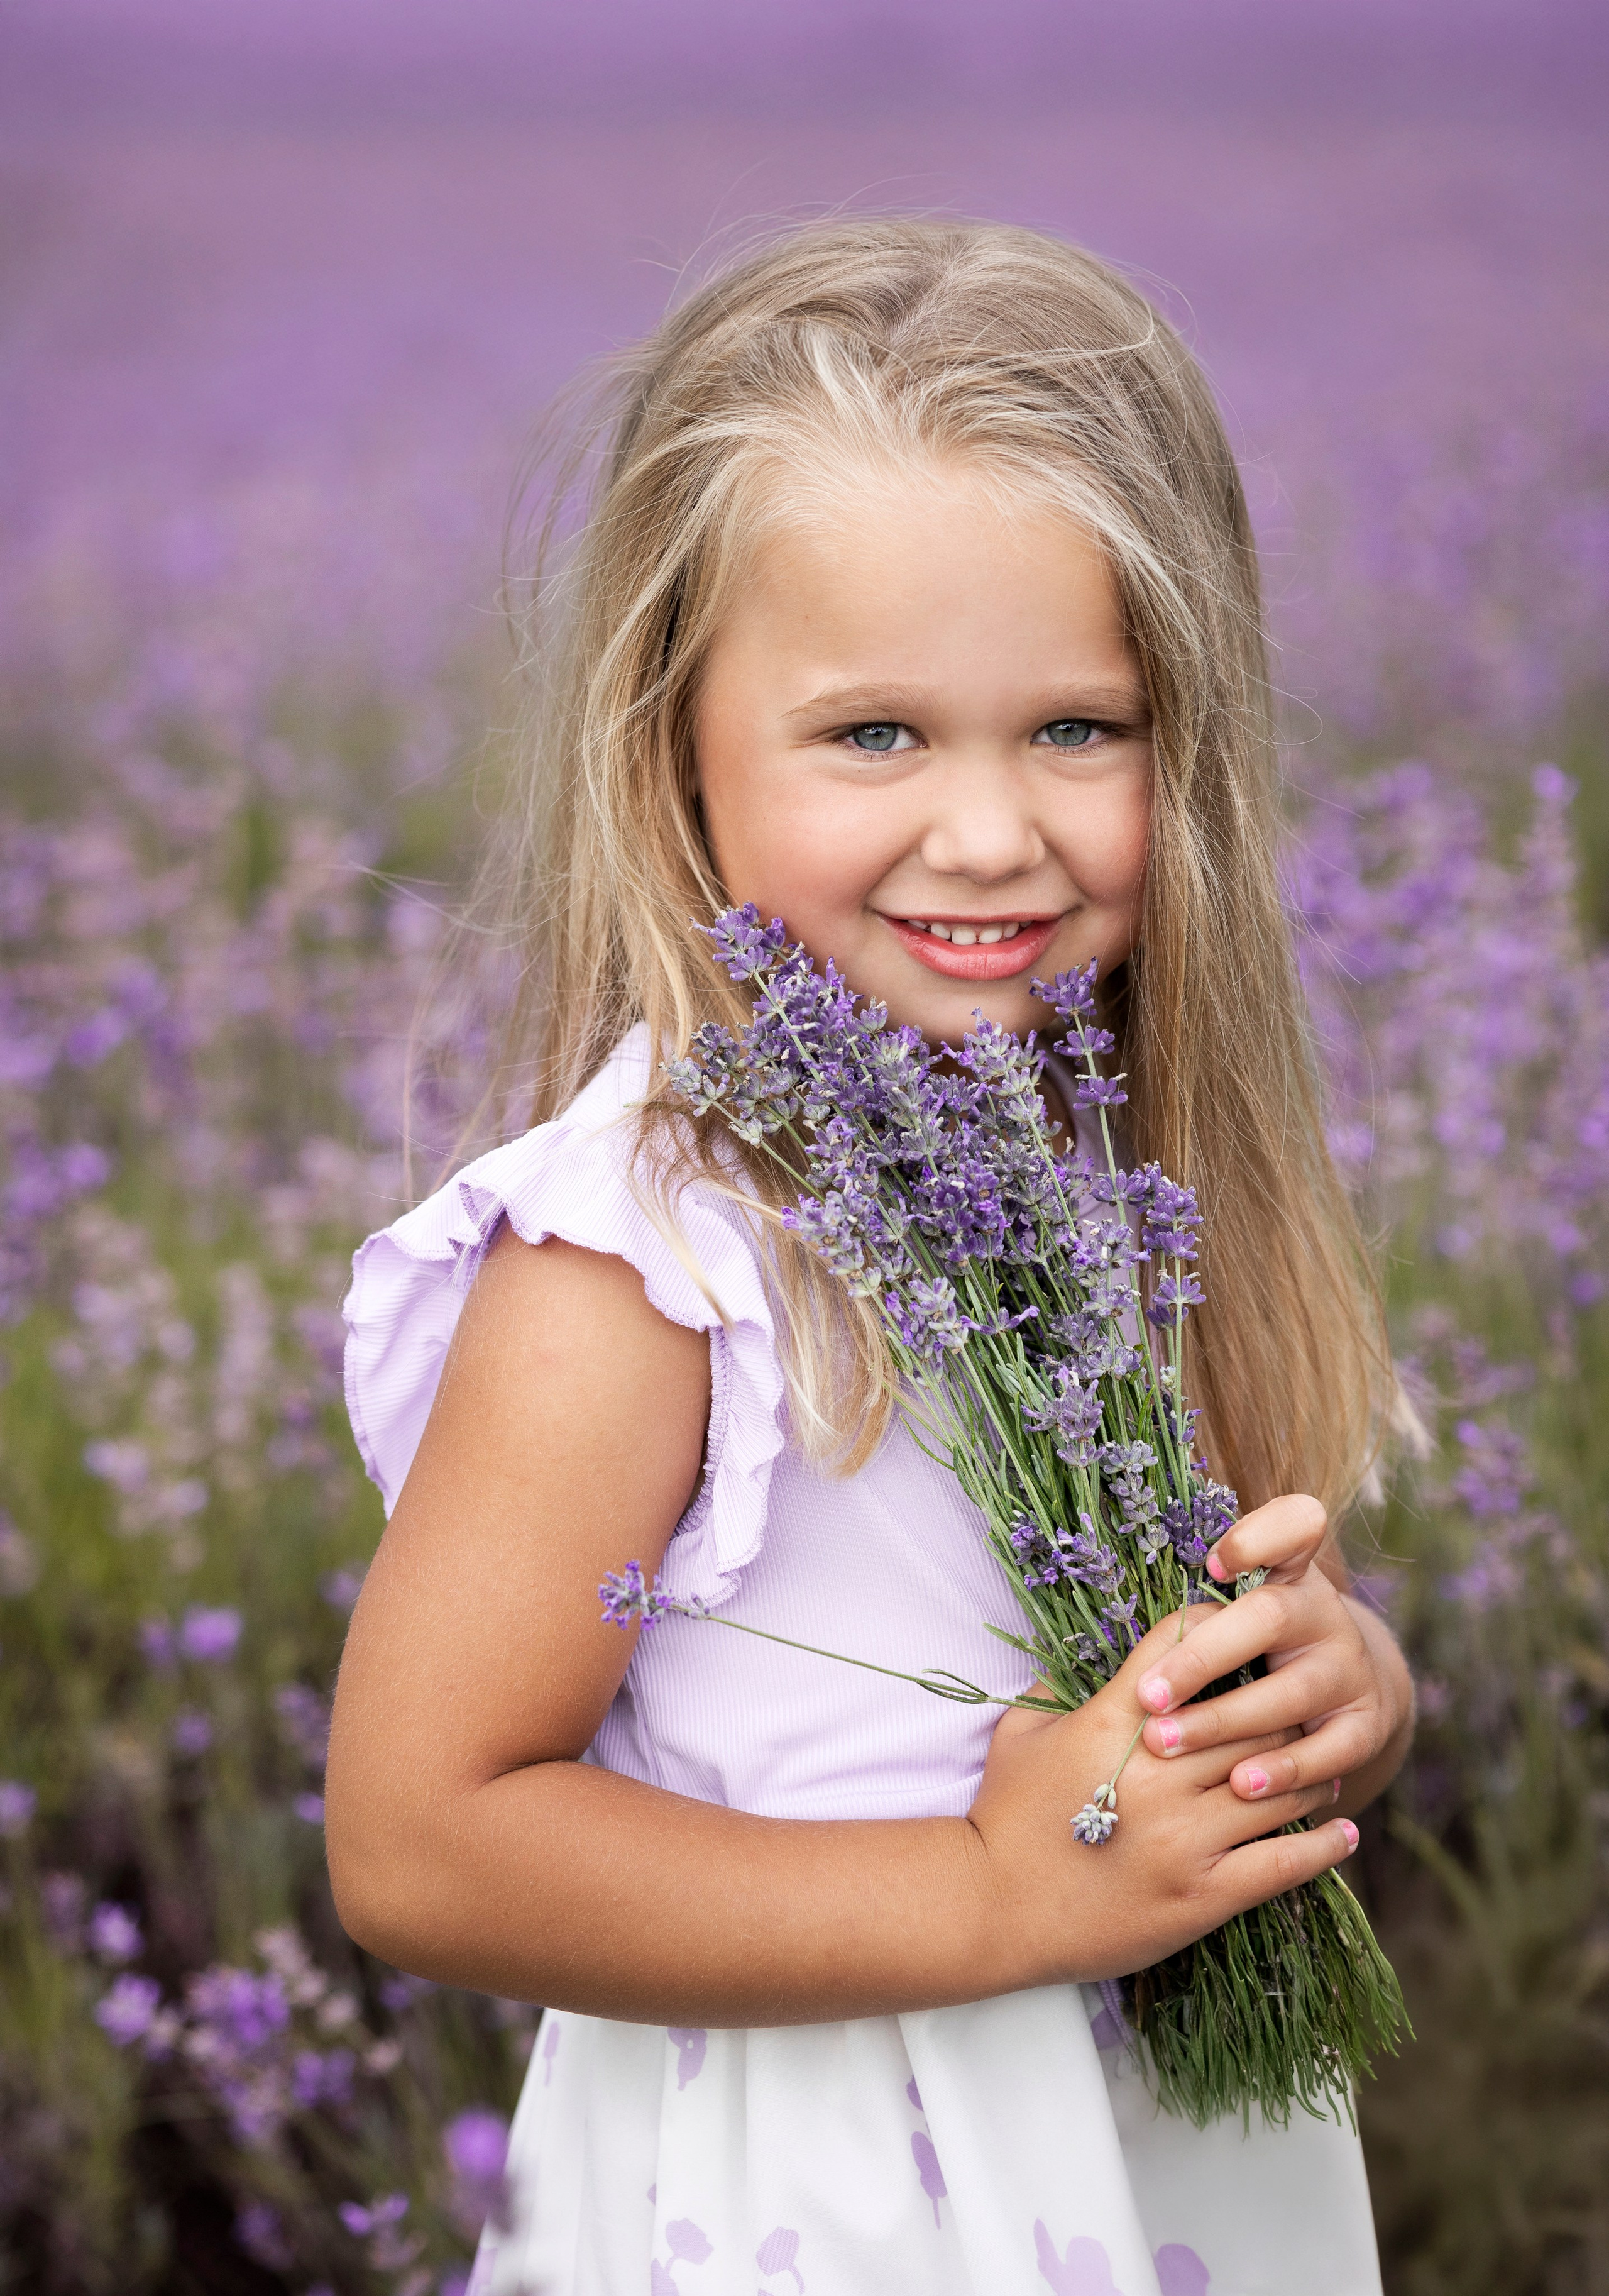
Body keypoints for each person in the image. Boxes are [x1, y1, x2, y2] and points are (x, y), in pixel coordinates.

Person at [326, 219, 1415, 2296]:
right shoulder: (647, 1258)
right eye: (878, 736)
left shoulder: (1110, 1165)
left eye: (1080, 728)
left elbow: (1229, 1622)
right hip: (823, 2195)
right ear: (676, 751)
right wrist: (1002, 1895)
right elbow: (420, 1837)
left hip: (1155, 2154)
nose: (992, 830)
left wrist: (1335, 1696)